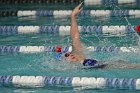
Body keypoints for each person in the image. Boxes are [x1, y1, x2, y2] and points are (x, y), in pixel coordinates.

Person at [57, 3, 140, 69]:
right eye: (66, 56)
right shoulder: (74, 69)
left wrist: (73, 16)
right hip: (108, 67)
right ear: (64, 62)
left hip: (111, 64)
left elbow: (75, 36)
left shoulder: (78, 53)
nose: (70, 55)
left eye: (68, 53)